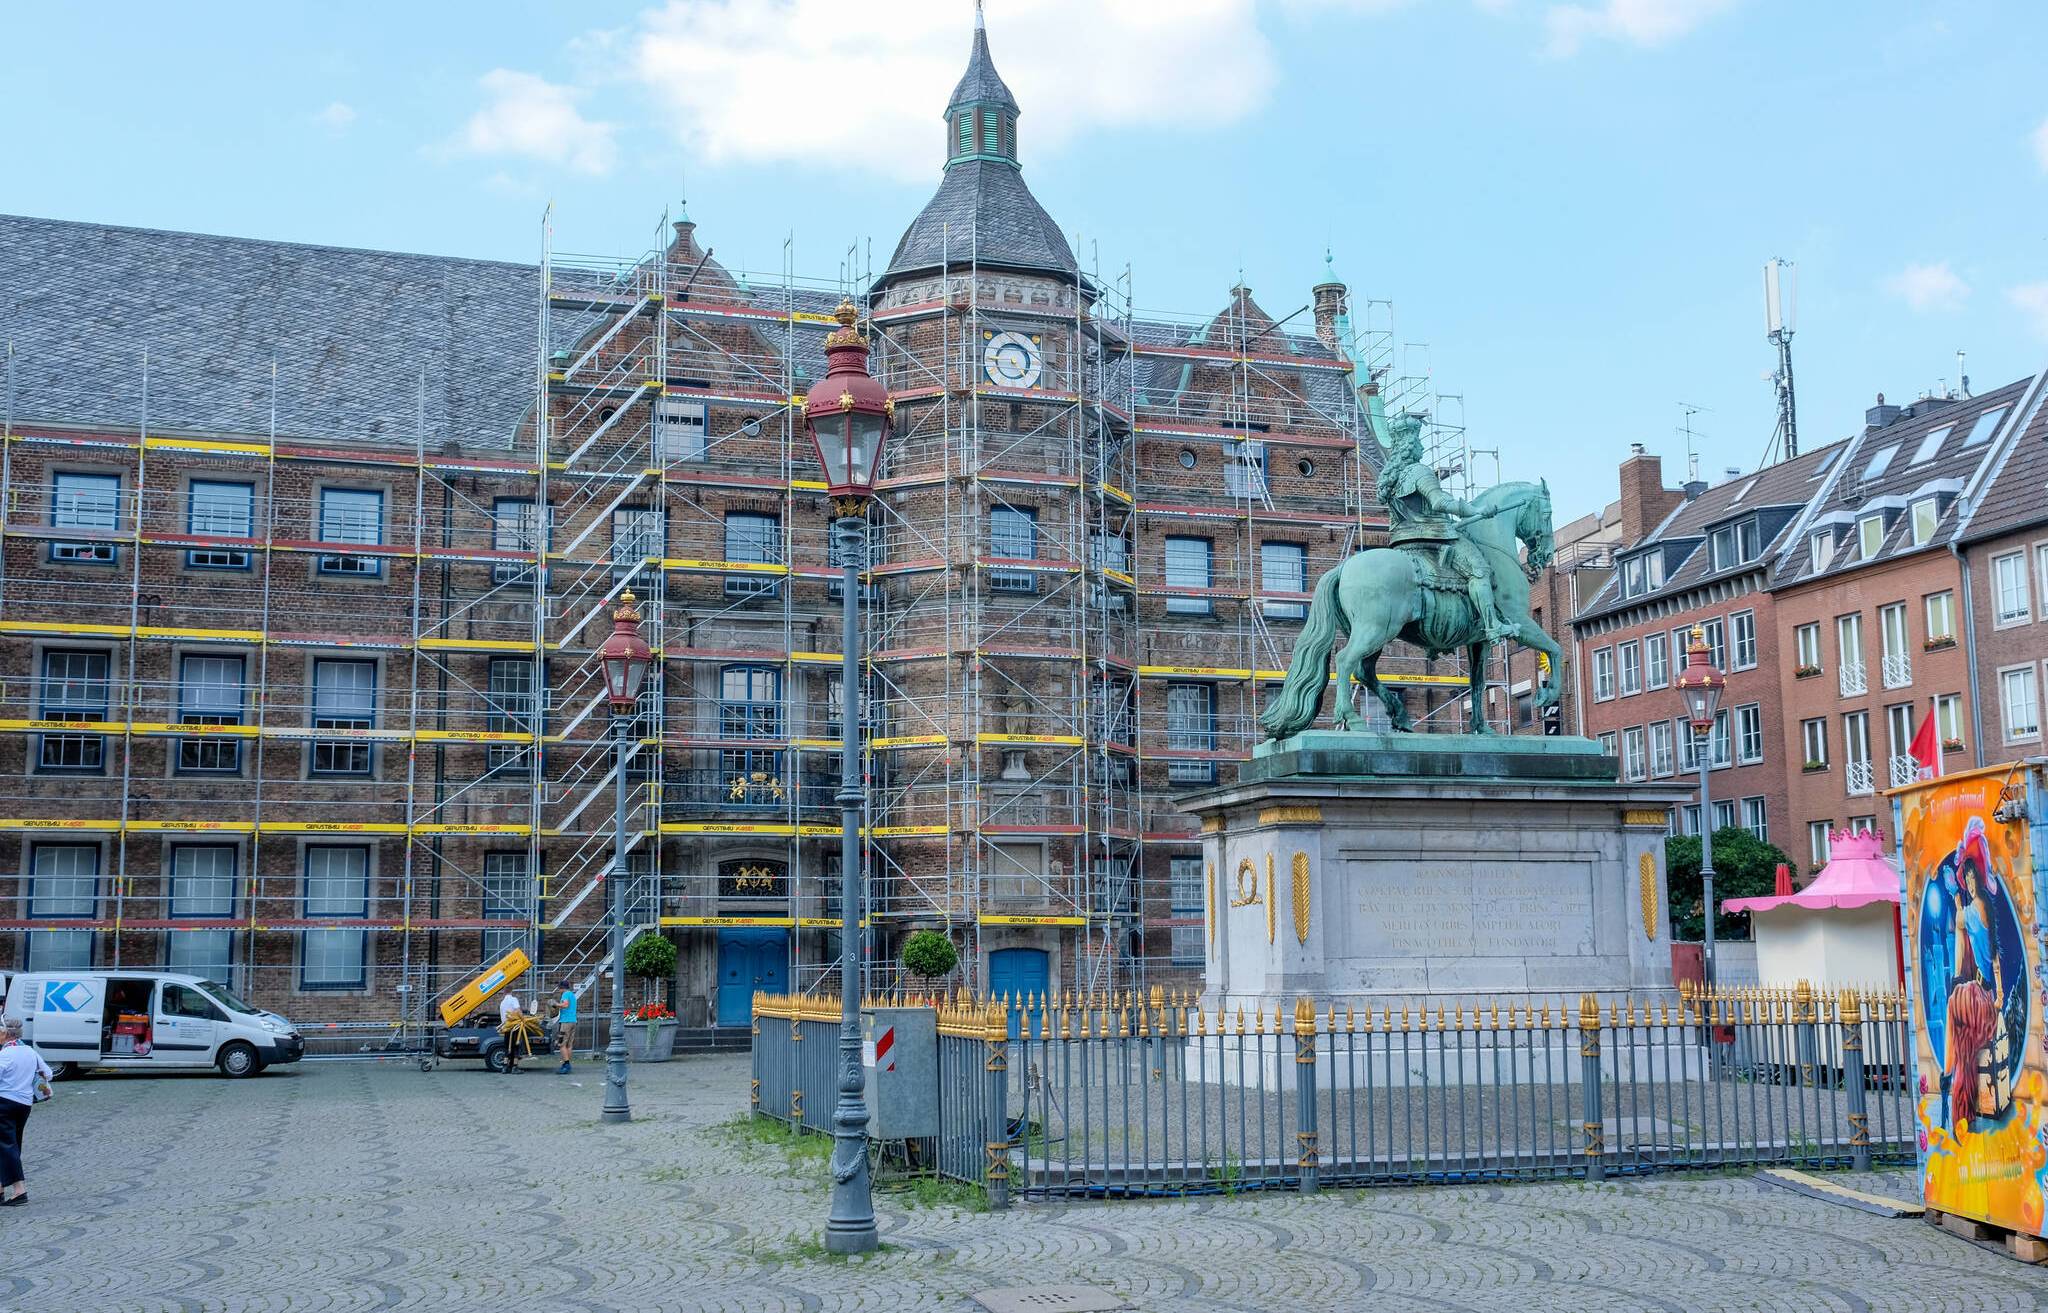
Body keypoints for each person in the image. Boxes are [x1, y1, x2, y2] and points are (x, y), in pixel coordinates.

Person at [1365, 381, 1518, 644]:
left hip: (1403, 545)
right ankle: (1493, 626)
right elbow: (1439, 502)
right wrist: (1475, 509)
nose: (1421, 446)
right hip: (1436, 540)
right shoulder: (1418, 471)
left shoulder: (1390, 477)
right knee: (1479, 571)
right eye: (1418, 441)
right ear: (1411, 444)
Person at [1, 1018, 53, 1207]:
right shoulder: (30, 1051)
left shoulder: (5, 1055)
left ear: (6, 1034)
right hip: (24, 1104)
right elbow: (48, 1073)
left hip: (4, 1102)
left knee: (6, 1145)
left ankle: (19, 1190)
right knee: (12, 1144)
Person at [554, 987, 577, 1076]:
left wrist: (556, 1004)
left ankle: (566, 1065)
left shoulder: (565, 994)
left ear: (561, 988)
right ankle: (566, 1064)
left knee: (561, 1044)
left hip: (565, 1022)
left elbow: (565, 1005)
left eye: (559, 988)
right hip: (573, 1021)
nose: (559, 990)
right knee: (569, 1045)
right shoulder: (572, 995)